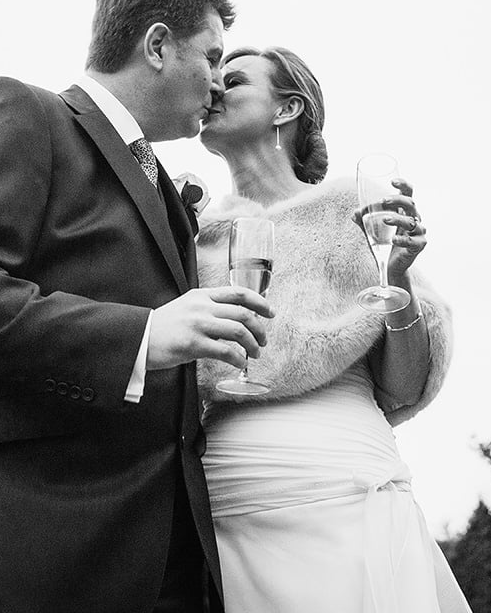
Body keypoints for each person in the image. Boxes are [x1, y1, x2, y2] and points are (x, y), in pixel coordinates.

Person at [0, 0, 273, 613]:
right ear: (158, 45)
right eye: (212, 56)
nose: (217, 87)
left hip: (159, 559)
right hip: (27, 541)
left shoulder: (171, 198)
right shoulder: (21, 112)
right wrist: (141, 335)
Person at [194, 46, 472, 612]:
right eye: (210, 76)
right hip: (224, 503)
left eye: (235, 79)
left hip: (340, 486)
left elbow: (402, 385)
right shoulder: (194, 235)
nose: (212, 88)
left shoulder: (355, 209)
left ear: (286, 109)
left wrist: (395, 279)